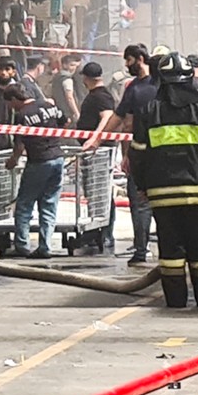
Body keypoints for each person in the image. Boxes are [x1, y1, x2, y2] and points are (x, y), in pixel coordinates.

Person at [129, 52, 198, 308]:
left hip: (162, 194)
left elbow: (137, 154)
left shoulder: (150, 109)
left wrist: (141, 186)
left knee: (170, 252)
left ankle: (175, 301)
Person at [86, 43, 156, 265]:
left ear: (140, 58)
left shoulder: (138, 88)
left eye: (129, 60)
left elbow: (122, 121)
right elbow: (122, 120)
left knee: (140, 203)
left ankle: (141, 250)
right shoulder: (146, 86)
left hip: (143, 157)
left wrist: (99, 140)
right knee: (152, 204)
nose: (127, 65)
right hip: (159, 156)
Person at [4, 83, 67, 258]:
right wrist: (53, 138)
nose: (10, 107)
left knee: (25, 204)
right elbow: (65, 120)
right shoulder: (48, 106)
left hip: (38, 161)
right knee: (49, 204)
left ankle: (22, 245)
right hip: (58, 158)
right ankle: (45, 246)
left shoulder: (22, 115)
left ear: (15, 99)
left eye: (9, 103)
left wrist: (13, 161)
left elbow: (19, 143)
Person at [75, 61, 118, 255]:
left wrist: (95, 139)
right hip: (95, 150)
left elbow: (107, 116)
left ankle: (104, 233)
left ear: (86, 78)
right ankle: (96, 230)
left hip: (98, 152)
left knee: (100, 191)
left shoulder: (101, 96)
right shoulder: (97, 95)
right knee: (94, 191)